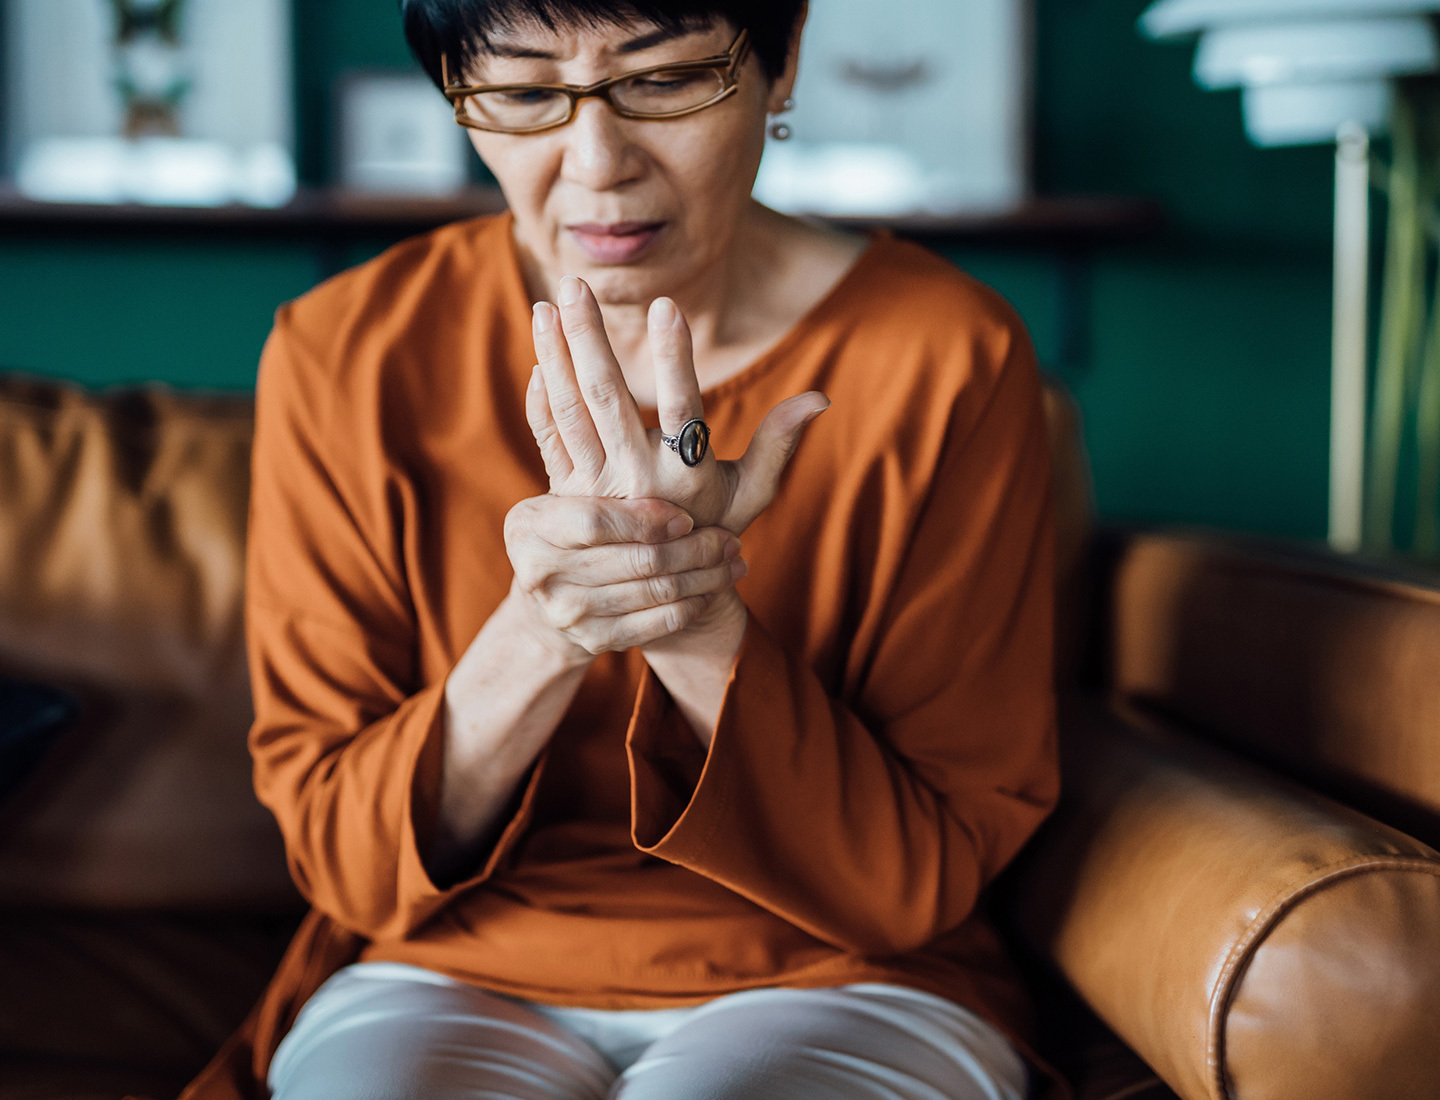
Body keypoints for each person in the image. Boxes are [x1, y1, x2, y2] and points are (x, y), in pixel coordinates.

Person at [180, 1, 1060, 1097]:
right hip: (450, 964)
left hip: (848, 967)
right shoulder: (344, 352)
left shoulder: (947, 354)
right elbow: (348, 863)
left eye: (664, 80)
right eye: (523, 92)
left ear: (779, 68)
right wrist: (550, 620)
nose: (597, 164)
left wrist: (694, 612)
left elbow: (913, 882)